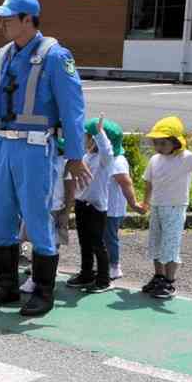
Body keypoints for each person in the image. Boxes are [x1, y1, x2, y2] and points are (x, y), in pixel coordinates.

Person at [0, 0, 90, 316]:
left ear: (28, 20)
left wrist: (76, 155)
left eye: (8, 18)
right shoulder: (1, 56)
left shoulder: (55, 56)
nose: (2, 24)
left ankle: (42, 291)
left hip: (37, 148)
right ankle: (7, 286)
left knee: (37, 219)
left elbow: (73, 108)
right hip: (3, 145)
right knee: (1, 216)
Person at [141, 117, 192, 299]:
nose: (158, 146)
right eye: (156, 142)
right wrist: (146, 201)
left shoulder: (184, 157)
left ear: (175, 142)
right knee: (155, 243)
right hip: (157, 206)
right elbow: (148, 182)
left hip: (175, 207)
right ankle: (158, 276)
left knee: (170, 245)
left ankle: (169, 281)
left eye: (163, 143)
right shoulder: (155, 159)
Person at [66, 116, 118, 293]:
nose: (85, 140)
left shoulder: (105, 160)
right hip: (82, 204)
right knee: (84, 242)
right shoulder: (86, 156)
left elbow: (107, 150)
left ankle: (104, 279)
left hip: (96, 208)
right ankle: (86, 273)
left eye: (88, 136)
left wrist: (99, 132)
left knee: (98, 244)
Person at [20, 137, 74, 294]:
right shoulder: (40, 160)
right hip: (38, 208)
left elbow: (70, 191)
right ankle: (37, 275)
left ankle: (43, 277)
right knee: (38, 243)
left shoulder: (66, 164)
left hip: (56, 209)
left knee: (53, 245)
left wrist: (66, 212)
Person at [104, 129, 145, 280]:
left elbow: (126, 182)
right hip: (102, 206)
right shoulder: (105, 157)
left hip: (112, 208)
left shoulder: (117, 160)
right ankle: (104, 264)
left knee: (109, 237)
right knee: (102, 237)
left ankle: (114, 265)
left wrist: (133, 203)